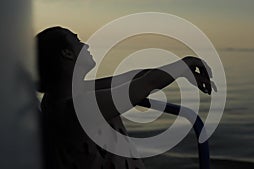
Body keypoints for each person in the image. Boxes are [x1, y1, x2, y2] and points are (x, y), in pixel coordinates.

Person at [36, 26, 212, 169]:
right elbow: (145, 84)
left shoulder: (74, 92)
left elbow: (133, 78)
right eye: (78, 41)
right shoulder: (73, 108)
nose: (86, 45)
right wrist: (184, 64)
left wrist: (181, 71)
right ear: (67, 53)